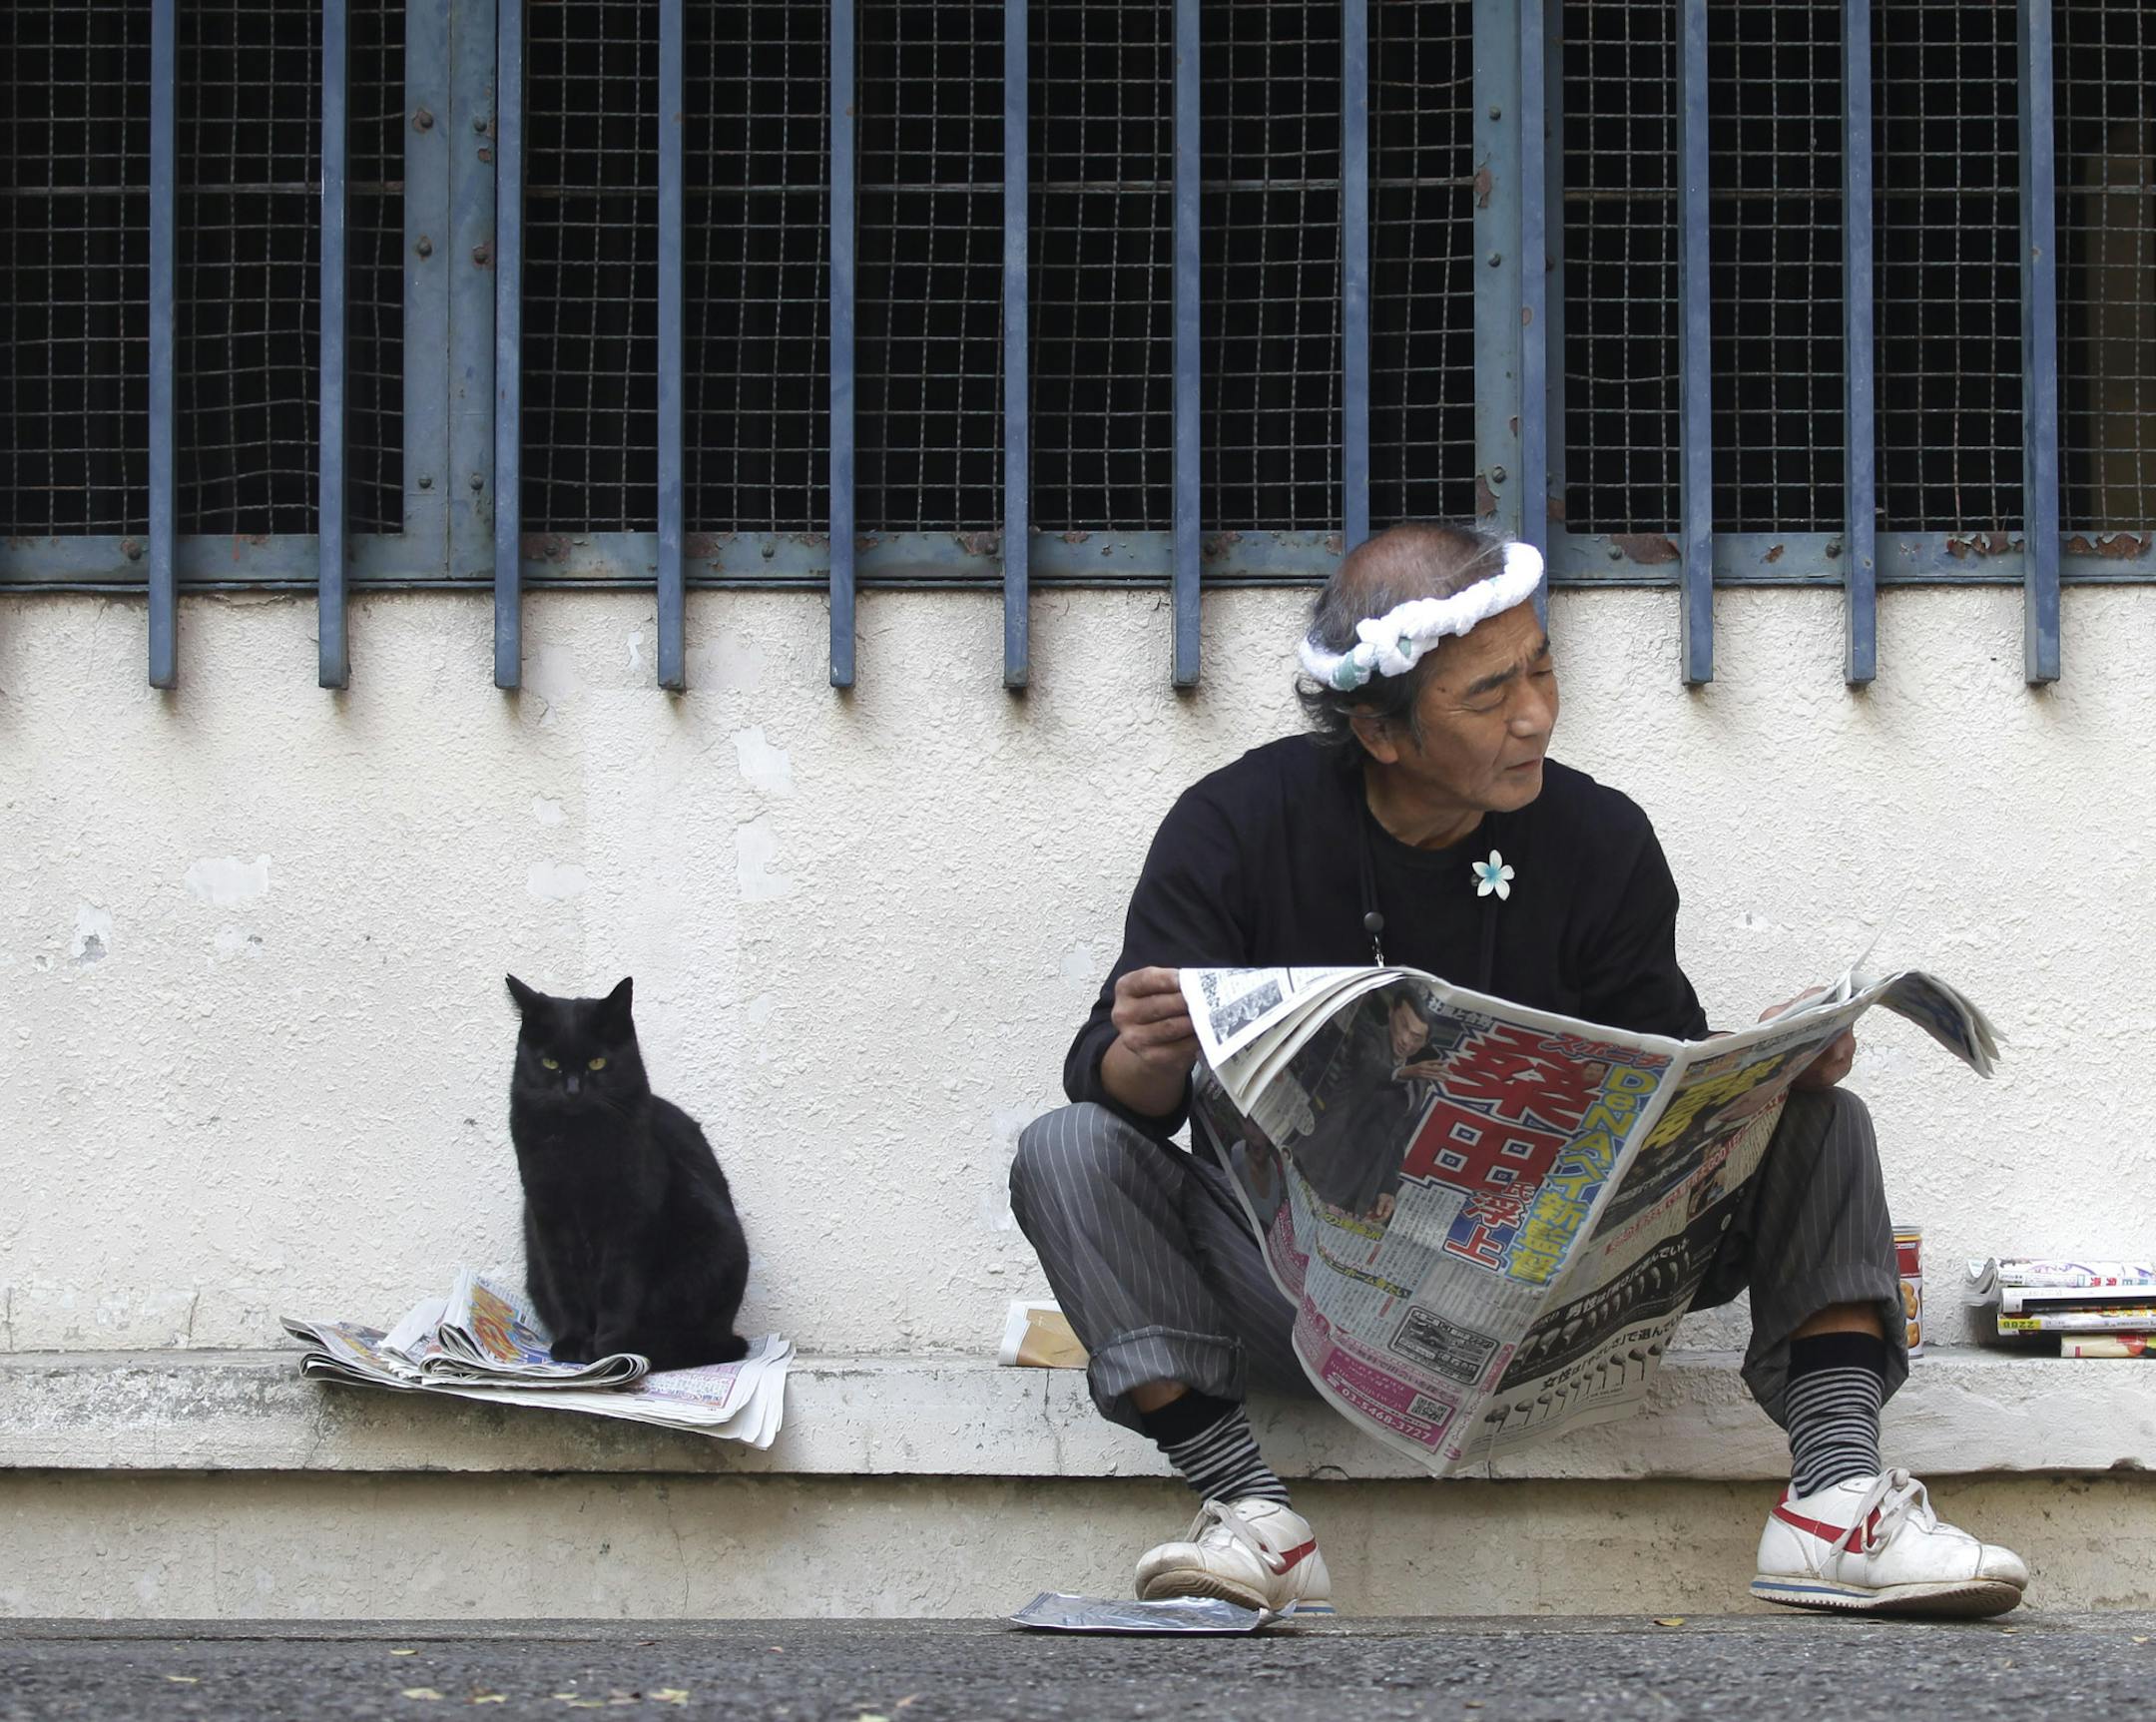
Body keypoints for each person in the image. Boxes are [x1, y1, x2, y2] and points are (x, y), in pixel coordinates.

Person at [1008, 521, 2028, 1619]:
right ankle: (1253, 1519)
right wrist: (1144, 1050)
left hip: (1557, 1284)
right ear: (1381, 731)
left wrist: (1769, 1074)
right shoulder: (1236, 828)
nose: (1535, 712)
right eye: (1488, 696)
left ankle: (1836, 1505)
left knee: (1827, 1122)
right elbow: (1118, 1104)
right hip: (1315, 1292)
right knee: (1067, 1150)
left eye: (1540, 666)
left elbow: (1661, 1079)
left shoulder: (1600, 839)